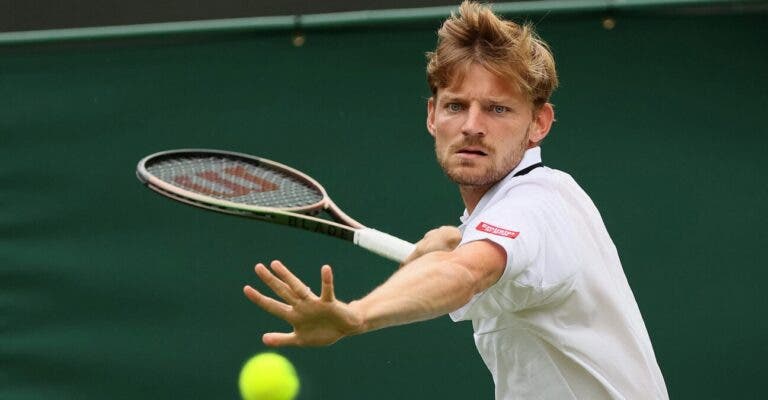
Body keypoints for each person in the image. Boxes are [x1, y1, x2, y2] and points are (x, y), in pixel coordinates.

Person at [243, 2, 669, 399]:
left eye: (497, 109)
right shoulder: (503, 214)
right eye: (456, 106)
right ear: (432, 115)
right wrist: (452, 243)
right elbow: (466, 263)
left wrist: (357, 314)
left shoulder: (540, 202)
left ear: (539, 123)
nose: (472, 126)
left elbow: (466, 274)